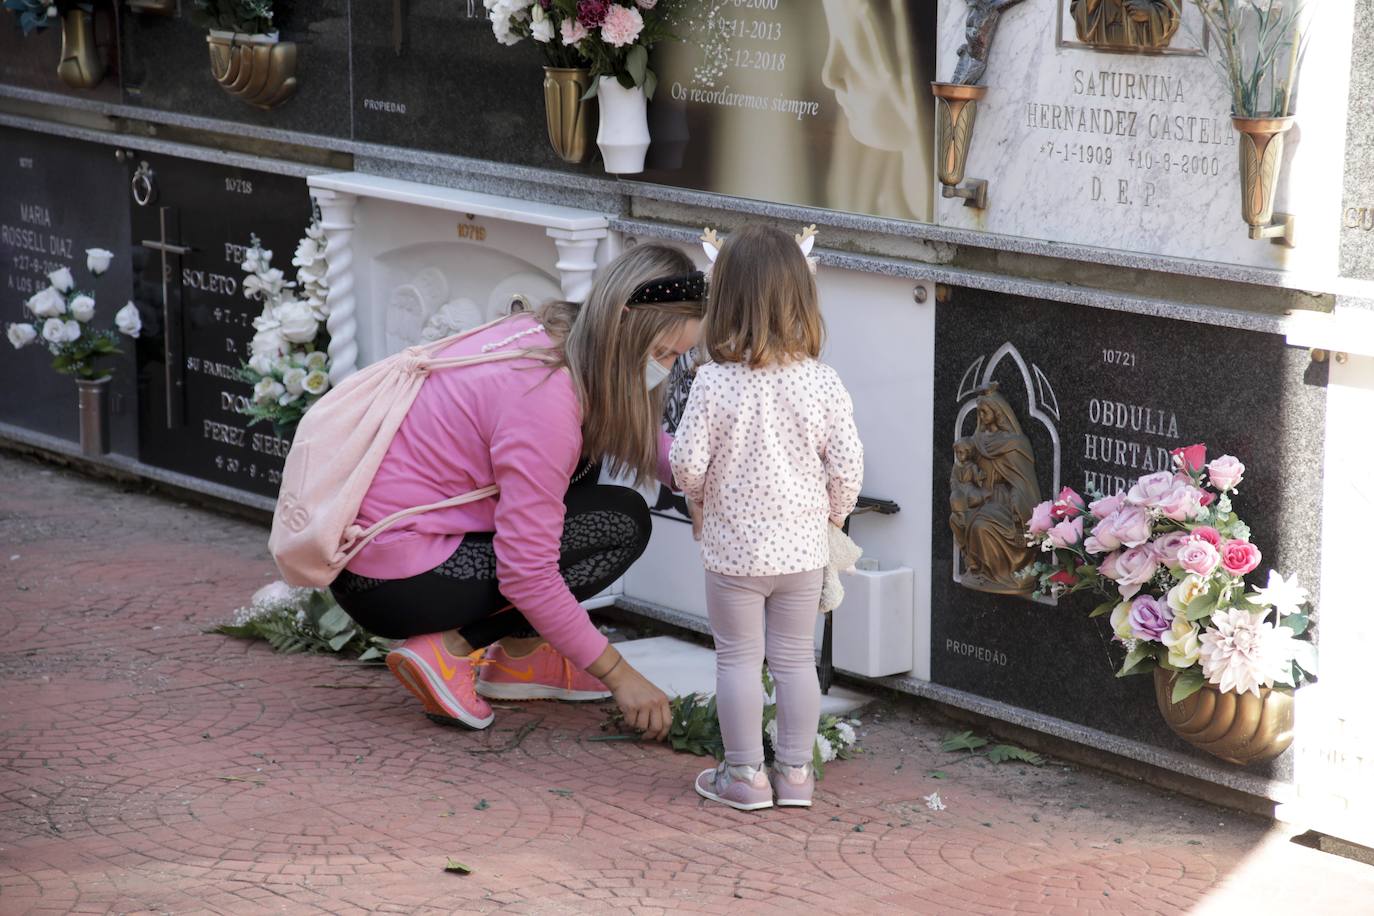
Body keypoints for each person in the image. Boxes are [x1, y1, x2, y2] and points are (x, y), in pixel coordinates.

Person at [329, 244, 706, 741]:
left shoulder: (552, 337)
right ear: (622, 324)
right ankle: (450, 649)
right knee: (617, 523)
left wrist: (713, 475)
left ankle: (522, 660)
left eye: (677, 356)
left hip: (375, 556)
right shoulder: (547, 398)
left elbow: (630, 434)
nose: (665, 368)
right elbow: (528, 572)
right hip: (394, 582)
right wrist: (621, 675)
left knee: (583, 476)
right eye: (661, 353)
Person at [670, 225, 864, 810]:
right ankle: (797, 776)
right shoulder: (822, 382)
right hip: (801, 553)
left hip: (733, 552)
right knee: (794, 661)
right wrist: (830, 518)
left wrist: (701, 500)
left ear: (722, 300)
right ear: (802, 299)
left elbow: (684, 464)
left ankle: (745, 777)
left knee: (736, 658)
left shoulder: (712, 382)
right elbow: (848, 469)